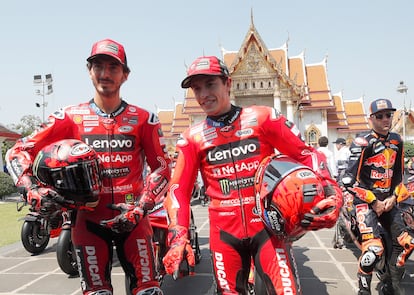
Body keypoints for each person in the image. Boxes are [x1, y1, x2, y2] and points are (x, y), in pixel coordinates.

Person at [161, 55, 343, 294]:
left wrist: (332, 192)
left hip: (267, 229)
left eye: (210, 84)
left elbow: (306, 155)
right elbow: (178, 192)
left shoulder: (264, 118)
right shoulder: (191, 138)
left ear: (228, 83)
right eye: (197, 88)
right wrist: (178, 235)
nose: (204, 94)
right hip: (224, 236)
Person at [6, 38, 171, 295]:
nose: (105, 74)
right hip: (87, 222)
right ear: (89, 70)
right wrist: (31, 189)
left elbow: (162, 168)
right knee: (96, 293)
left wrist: (141, 207)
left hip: (135, 221)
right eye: (98, 66)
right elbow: (17, 151)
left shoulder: (144, 119)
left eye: (113, 67)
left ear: (125, 75)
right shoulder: (69, 116)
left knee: (149, 291)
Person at [341, 98, 414, 295]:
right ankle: (363, 290)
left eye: (388, 115)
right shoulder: (362, 142)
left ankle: (391, 281)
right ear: (371, 119)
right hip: (366, 204)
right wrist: (374, 201)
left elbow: (399, 177)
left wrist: (393, 198)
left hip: (390, 203)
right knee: (373, 251)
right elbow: (348, 180)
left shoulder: (397, 140)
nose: (385, 119)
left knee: (408, 242)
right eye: (380, 116)